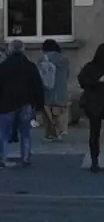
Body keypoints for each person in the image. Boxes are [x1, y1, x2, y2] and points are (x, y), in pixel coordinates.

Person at [0, 40, 43, 168]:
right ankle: (25, 157)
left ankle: (2, 157)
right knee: (25, 132)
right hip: (26, 102)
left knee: (4, 132)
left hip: (6, 103)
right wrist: (39, 104)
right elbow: (37, 86)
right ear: (23, 49)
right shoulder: (30, 66)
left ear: (10, 49)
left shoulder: (3, 66)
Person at [77, 44, 104, 173]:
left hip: (94, 105)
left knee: (94, 133)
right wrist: (98, 81)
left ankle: (94, 161)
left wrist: (94, 82)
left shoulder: (90, 67)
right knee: (94, 133)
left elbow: (81, 80)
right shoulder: (91, 67)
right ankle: (94, 161)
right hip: (96, 103)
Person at [37, 40, 71, 142]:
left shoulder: (43, 59)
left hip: (47, 90)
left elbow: (39, 75)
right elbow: (67, 75)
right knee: (60, 112)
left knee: (48, 113)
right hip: (61, 90)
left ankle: (50, 134)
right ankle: (61, 131)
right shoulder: (64, 59)